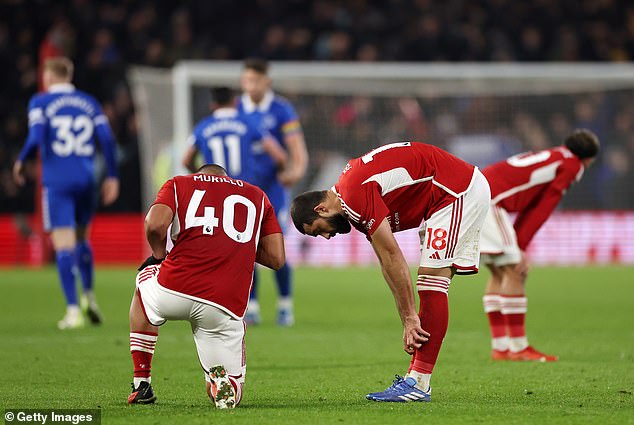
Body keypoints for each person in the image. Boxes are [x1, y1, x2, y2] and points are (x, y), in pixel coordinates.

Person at [290, 141, 491, 402]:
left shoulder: (352, 196)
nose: (326, 237)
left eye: (319, 229)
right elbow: (386, 263)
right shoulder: (350, 196)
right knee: (431, 282)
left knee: (431, 281)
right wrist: (405, 316)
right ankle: (416, 380)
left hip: (456, 191)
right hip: (443, 197)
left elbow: (393, 255)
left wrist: (409, 316)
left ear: (321, 209)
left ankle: (418, 383)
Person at [127, 164, 285, 409]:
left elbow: (154, 224)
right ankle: (222, 383)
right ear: (226, 176)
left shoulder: (178, 183)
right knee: (232, 388)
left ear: (199, 174)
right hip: (224, 305)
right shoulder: (257, 195)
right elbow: (276, 258)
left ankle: (141, 383)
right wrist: (234, 244)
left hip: (174, 289)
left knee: (143, 282)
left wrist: (159, 255)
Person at [13, 57, 119, 329]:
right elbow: (107, 139)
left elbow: (36, 138)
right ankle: (90, 297)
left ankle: (73, 311)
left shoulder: (41, 101)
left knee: (63, 245)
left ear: (48, 76)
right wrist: (112, 176)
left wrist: (21, 159)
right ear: (69, 75)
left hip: (58, 181)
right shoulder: (89, 102)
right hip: (86, 179)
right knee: (83, 239)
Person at [480, 129, 600, 362]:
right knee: (515, 270)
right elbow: (543, 207)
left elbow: (530, 203)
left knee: (498, 271)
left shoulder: (555, 155)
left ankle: (501, 347)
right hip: (490, 201)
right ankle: (518, 348)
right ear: (588, 159)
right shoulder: (572, 165)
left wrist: (518, 243)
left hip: (478, 195)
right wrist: (521, 246)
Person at [238, 58, 308, 326]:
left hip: (273, 191)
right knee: (246, 250)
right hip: (242, 192)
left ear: (266, 81)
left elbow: (297, 148)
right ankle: (251, 307)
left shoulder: (281, 110)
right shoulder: (236, 109)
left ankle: (285, 306)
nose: (250, 85)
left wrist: (296, 171)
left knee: (275, 248)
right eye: (246, 81)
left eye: (254, 80)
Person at [181, 86, 287, 179]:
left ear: (213, 105)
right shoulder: (249, 123)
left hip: (213, 189)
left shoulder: (202, 127)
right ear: (235, 102)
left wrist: (202, 175)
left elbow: (186, 161)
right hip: (243, 188)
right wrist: (276, 174)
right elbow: (279, 156)